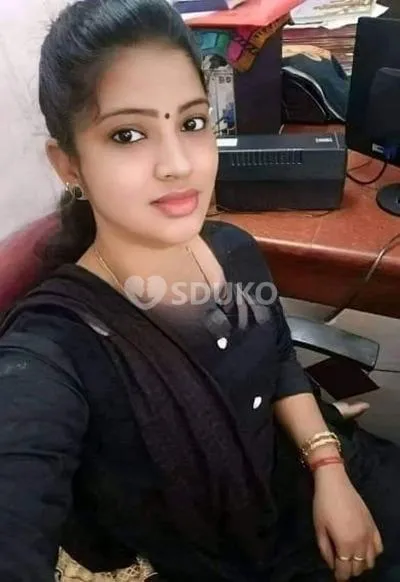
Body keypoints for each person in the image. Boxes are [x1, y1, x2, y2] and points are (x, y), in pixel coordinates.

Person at [0, 1, 399, 581]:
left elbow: (279, 357)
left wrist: (327, 464)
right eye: (128, 134)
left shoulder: (232, 248)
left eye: (191, 123)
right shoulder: (54, 351)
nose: (178, 164)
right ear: (70, 166)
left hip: (329, 472)